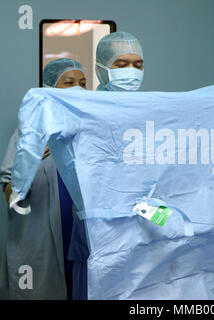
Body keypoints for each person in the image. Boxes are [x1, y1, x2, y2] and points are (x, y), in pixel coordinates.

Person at [0, 58, 86, 300]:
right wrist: (29, 161)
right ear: (50, 90)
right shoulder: (28, 134)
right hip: (42, 241)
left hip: (82, 240)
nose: (77, 88)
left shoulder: (89, 133)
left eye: (83, 83)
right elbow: (10, 197)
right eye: (68, 82)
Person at [69, 31, 144, 300]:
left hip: (140, 224)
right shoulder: (85, 111)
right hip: (99, 223)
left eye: (138, 65)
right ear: (102, 68)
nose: (131, 72)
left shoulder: (151, 110)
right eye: (121, 65)